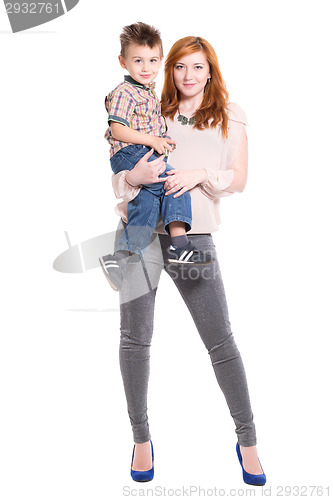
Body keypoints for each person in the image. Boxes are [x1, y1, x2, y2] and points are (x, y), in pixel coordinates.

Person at [110, 35, 266, 485]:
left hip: (193, 238)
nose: (188, 76)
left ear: (210, 71)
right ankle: (141, 439)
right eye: (179, 67)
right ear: (169, 71)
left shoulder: (230, 117)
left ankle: (249, 441)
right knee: (134, 339)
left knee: (220, 341)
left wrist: (202, 174)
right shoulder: (149, 112)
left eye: (197, 67)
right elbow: (120, 178)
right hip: (139, 236)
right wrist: (131, 177)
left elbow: (238, 180)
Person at [99, 23, 213, 292]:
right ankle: (180, 245)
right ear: (123, 61)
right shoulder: (124, 92)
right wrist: (152, 141)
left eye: (152, 60)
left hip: (142, 151)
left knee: (149, 202)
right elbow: (117, 128)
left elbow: (149, 126)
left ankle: (121, 258)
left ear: (161, 61)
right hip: (130, 153)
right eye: (138, 60)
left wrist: (162, 139)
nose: (146, 67)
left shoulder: (148, 93)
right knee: (176, 184)